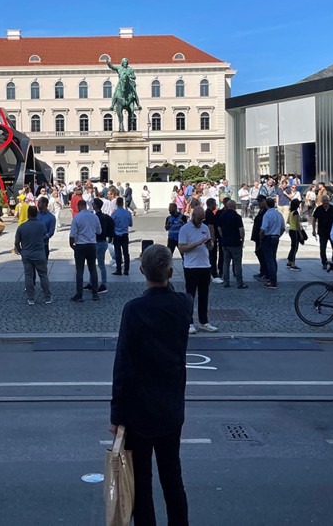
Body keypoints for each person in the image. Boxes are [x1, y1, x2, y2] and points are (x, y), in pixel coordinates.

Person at [110, 244, 191, 526]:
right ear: (170, 271)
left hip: (138, 411)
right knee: (173, 479)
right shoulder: (184, 304)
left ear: (141, 270)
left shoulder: (133, 310)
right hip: (171, 407)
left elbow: (123, 365)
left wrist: (116, 415)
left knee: (141, 484)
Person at [179, 206, 218, 333]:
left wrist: (209, 244)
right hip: (191, 266)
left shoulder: (205, 227)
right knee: (190, 295)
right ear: (193, 216)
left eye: (202, 219)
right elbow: (182, 248)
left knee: (204, 295)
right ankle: (189, 322)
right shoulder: (185, 229)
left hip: (205, 266)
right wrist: (197, 243)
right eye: (199, 219)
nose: (201, 221)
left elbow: (211, 247)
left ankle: (204, 321)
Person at [15, 206, 51, 305]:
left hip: (26, 254)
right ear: (36, 213)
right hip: (39, 253)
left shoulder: (22, 227)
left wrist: (21, 251)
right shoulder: (41, 225)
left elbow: (17, 242)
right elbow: (44, 236)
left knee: (28, 276)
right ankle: (47, 297)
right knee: (43, 275)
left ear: (28, 214)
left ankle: (31, 298)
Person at [68, 199, 101, 302]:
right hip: (91, 245)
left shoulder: (77, 217)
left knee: (80, 271)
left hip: (80, 245)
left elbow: (72, 234)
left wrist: (72, 245)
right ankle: (95, 293)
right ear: (86, 206)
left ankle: (79, 294)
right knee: (93, 269)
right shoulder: (94, 216)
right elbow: (99, 231)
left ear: (78, 207)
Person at [217, 198, 246, 289]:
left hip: (225, 242)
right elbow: (241, 230)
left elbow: (219, 228)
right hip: (235, 242)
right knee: (237, 263)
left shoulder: (222, 215)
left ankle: (226, 282)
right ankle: (239, 283)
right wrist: (242, 239)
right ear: (234, 206)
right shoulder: (237, 216)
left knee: (226, 262)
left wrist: (223, 237)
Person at [260, 197, 285, 289]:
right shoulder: (279, 214)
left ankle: (273, 280)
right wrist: (279, 235)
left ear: (266, 205)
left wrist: (261, 238)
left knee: (269, 259)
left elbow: (263, 229)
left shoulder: (267, 215)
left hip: (268, 237)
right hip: (276, 236)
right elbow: (283, 227)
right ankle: (273, 278)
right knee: (273, 258)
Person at [311, 194, 333, 270]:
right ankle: (324, 262)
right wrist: (313, 230)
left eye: (327, 201)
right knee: (323, 248)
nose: (326, 202)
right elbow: (314, 219)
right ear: (322, 201)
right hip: (322, 232)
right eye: (324, 201)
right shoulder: (318, 209)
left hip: (332, 232)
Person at [111, 197, 133, 275]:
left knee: (118, 253)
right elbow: (130, 224)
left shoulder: (114, 213)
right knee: (126, 252)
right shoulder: (127, 213)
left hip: (117, 234)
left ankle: (119, 270)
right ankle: (126, 270)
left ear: (117, 203)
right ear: (123, 203)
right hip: (125, 234)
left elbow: (111, 224)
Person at [251, 196, 269, 281]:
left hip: (262, 237)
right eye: (258, 201)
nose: (259, 203)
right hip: (258, 236)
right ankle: (262, 271)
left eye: (260, 201)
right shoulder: (261, 211)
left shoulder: (266, 211)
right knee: (259, 253)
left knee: (262, 254)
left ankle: (265, 272)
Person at [286, 198, 304, 271]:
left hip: (291, 230)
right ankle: (293, 264)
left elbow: (288, 221)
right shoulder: (296, 213)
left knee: (292, 246)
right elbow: (297, 224)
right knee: (295, 247)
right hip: (295, 231)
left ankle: (289, 262)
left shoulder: (291, 212)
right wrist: (301, 234)